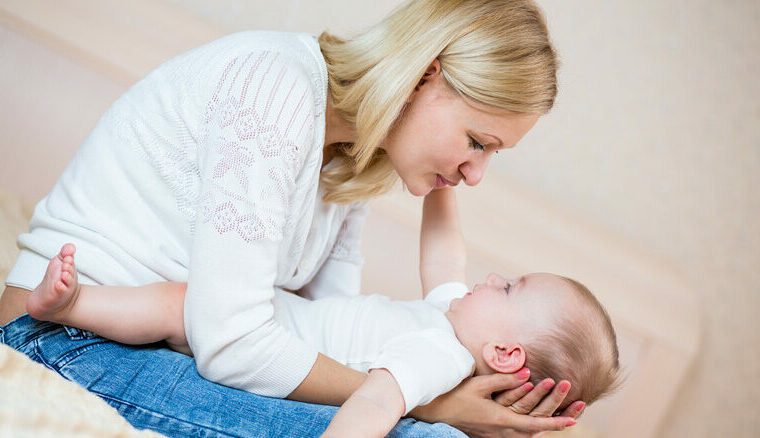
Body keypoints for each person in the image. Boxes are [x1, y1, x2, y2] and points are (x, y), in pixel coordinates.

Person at [0, 0, 583, 436]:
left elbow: (321, 329)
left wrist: (449, 386)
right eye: (477, 142)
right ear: (424, 75)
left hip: (157, 344)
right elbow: (233, 346)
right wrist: (424, 400)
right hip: (64, 337)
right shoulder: (275, 91)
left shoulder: (352, 155)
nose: (477, 173)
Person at [25, 188, 619, 437]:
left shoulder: (438, 352)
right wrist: (445, 185)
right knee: (173, 300)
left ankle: (74, 306)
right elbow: (444, 254)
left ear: (505, 353)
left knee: (178, 304)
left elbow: (375, 404)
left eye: (509, 288)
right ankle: (74, 306)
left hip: (270, 340)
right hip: (274, 317)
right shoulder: (448, 316)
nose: (490, 279)